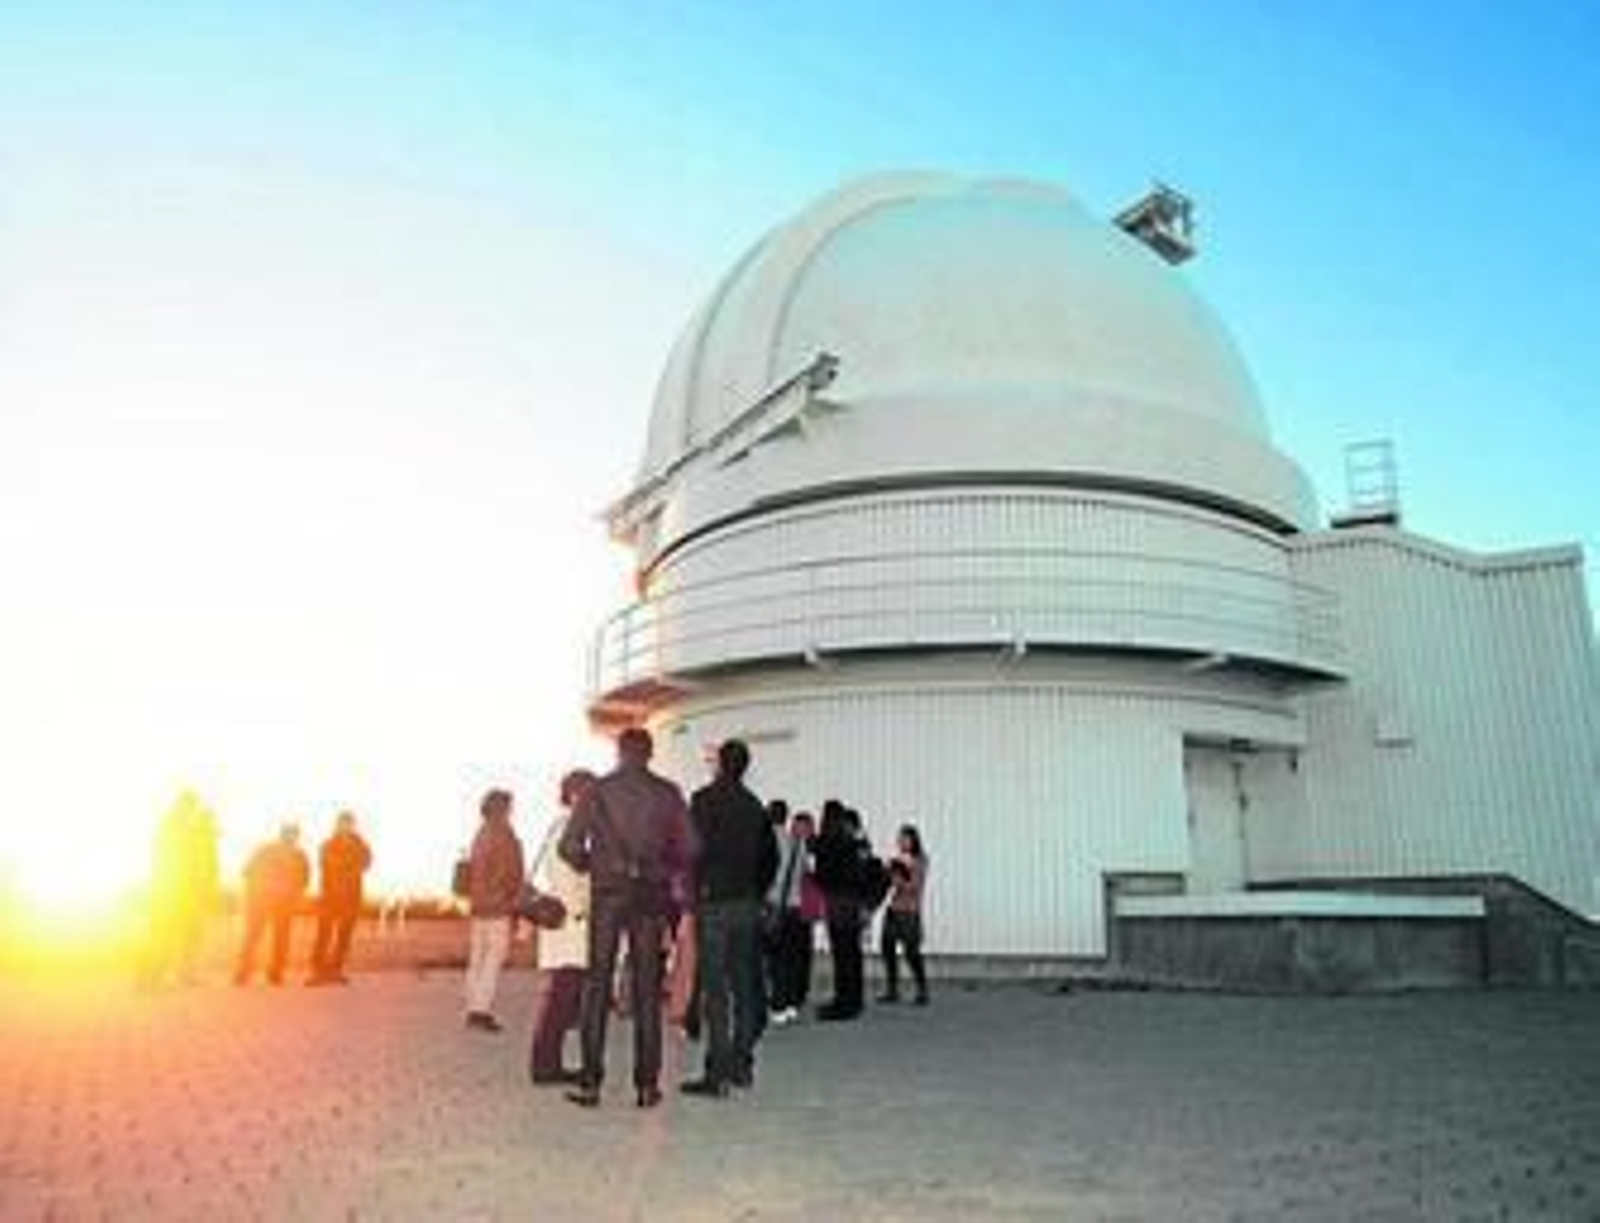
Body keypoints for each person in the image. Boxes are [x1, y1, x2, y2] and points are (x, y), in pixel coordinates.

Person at [559, 727, 694, 1109]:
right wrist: (660, 868)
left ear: (619, 752)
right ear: (649, 754)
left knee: (597, 986)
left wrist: (594, 864)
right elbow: (692, 847)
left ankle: (590, 1084)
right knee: (648, 991)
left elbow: (568, 846)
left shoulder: (596, 791)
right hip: (650, 895)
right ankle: (647, 1086)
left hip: (607, 894)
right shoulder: (667, 793)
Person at [681, 740, 779, 1099]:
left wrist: (694, 893)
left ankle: (716, 1072)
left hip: (715, 902)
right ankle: (743, 1063)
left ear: (720, 764)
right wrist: (755, 891)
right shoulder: (756, 808)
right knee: (744, 986)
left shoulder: (703, 800)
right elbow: (771, 860)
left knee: (715, 991)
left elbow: (691, 851)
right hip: (746, 904)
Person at [528, 770, 594, 1085]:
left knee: (560, 998)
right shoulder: (570, 829)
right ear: (576, 795)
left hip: (564, 925)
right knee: (561, 1000)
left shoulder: (560, 825)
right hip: (572, 924)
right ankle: (545, 1067)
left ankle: (546, 1063)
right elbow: (575, 880)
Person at [463, 788, 525, 1032]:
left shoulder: (481, 832)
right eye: (510, 805)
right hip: (498, 906)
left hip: (479, 905)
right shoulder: (505, 834)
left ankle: (472, 1005)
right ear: (504, 808)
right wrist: (517, 902)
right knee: (493, 960)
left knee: (477, 958)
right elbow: (513, 872)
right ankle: (481, 1010)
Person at [811, 801, 873, 1021]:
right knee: (853, 953)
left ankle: (842, 1004)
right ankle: (855, 1001)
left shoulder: (827, 841)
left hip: (836, 902)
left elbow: (821, 876)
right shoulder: (852, 842)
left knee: (841, 953)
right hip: (853, 902)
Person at [233, 822, 311, 987]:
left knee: (281, 939)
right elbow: (247, 871)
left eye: (294, 835)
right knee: (253, 937)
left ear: (297, 837)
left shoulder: (300, 855)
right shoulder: (265, 849)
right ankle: (242, 973)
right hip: (262, 901)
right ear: (281, 834)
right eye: (288, 834)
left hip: (285, 904)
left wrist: (296, 894)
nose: (291, 837)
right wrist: (254, 893)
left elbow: (305, 878)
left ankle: (275, 974)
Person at [766, 809, 819, 1025]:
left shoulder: (795, 845)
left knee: (782, 960)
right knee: (790, 959)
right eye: (797, 825)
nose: (800, 829)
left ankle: (783, 1002)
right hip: (795, 909)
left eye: (804, 825)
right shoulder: (798, 846)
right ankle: (789, 1002)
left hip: (785, 908)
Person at [307, 810, 373, 986]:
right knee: (324, 935)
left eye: (349, 824)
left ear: (353, 826)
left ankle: (336, 970)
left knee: (344, 936)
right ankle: (318, 971)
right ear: (337, 825)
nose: (346, 827)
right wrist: (350, 864)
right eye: (343, 823)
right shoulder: (328, 844)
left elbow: (366, 863)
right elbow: (328, 862)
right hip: (329, 896)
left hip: (352, 897)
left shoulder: (361, 844)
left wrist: (347, 864)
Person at [878, 823, 930, 1005]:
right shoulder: (898, 858)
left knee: (911, 952)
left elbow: (915, 887)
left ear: (914, 840)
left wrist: (899, 879)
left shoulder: (920, 860)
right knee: (887, 948)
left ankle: (922, 989)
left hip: (909, 911)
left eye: (904, 838)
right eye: (899, 839)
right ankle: (892, 989)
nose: (901, 842)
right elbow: (889, 883)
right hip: (893, 909)